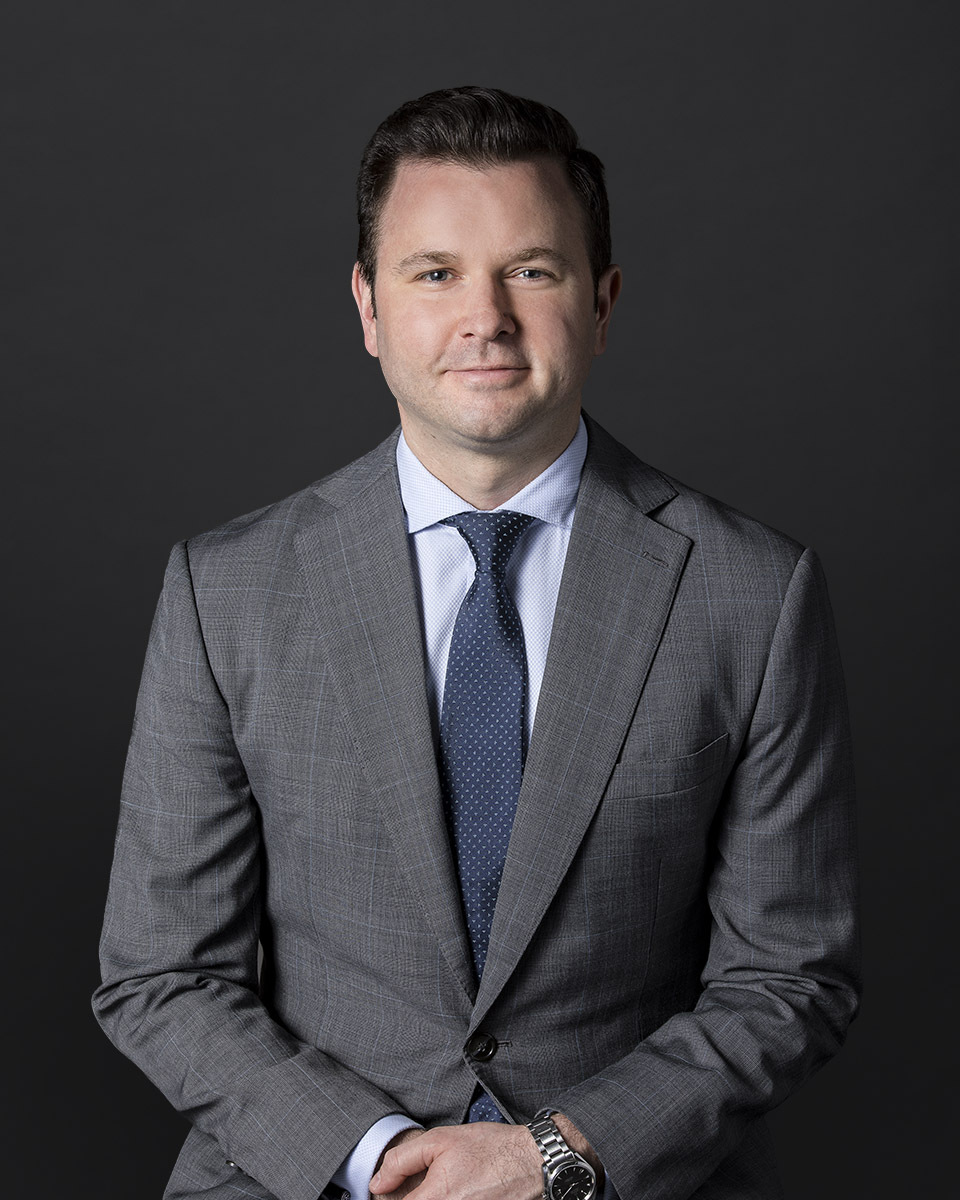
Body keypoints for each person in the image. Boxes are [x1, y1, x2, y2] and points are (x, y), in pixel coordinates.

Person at [93, 86, 861, 1200]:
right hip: (304, 1176)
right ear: (368, 307)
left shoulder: (753, 592)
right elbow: (162, 974)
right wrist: (377, 1157)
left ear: (602, 301)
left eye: (532, 271)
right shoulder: (228, 590)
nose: (485, 318)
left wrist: (555, 1154)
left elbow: (790, 978)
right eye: (435, 273)